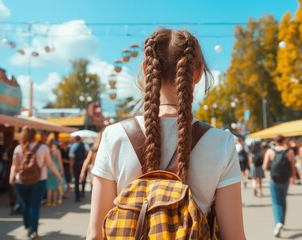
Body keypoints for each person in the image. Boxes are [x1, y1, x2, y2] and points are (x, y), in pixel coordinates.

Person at [86, 29, 246, 239]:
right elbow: (233, 236)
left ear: (146, 70)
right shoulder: (221, 143)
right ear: (197, 74)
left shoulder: (114, 136)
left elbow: (96, 233)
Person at [9, 126, 62, 239]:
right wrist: (58, 175)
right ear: (34, 135)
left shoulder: (18, 148)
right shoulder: (43, 148)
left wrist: (11, 177)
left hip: (21, 181)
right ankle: (34, 231)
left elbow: (14, 165)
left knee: (25, 204)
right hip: (39, 180)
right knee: (34, 206)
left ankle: (28, 226)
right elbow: (50, 164)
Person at [263, 135, 296, 238]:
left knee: (276, 202)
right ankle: (282, 222)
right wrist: (293, 177)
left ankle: (278, 223)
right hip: (285, 179)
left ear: (275, 141)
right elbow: (293, 166)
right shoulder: (289, 152)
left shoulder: (270, 151)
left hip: (274, 179)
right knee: (283, 200)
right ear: (284, 141)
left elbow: (264, 166)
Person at [69, 135, 89, 202]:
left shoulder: (73, 146)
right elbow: (87, 155)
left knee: (76, 180)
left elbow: (71, 158)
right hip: (83, 163)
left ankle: (77, 197)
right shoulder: (85, 145)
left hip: (76, 164)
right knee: (84, 178)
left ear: (75, 139)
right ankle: (82, 193)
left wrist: (71, 168)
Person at [45, 137, 64, 207]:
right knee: (55, 187)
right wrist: (61, 170)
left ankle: (48, 202)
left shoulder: (46, 150)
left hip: (48, 168)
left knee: (49, 187)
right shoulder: (57, 151)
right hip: (55, 167)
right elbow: (60, 162)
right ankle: (54, 201)